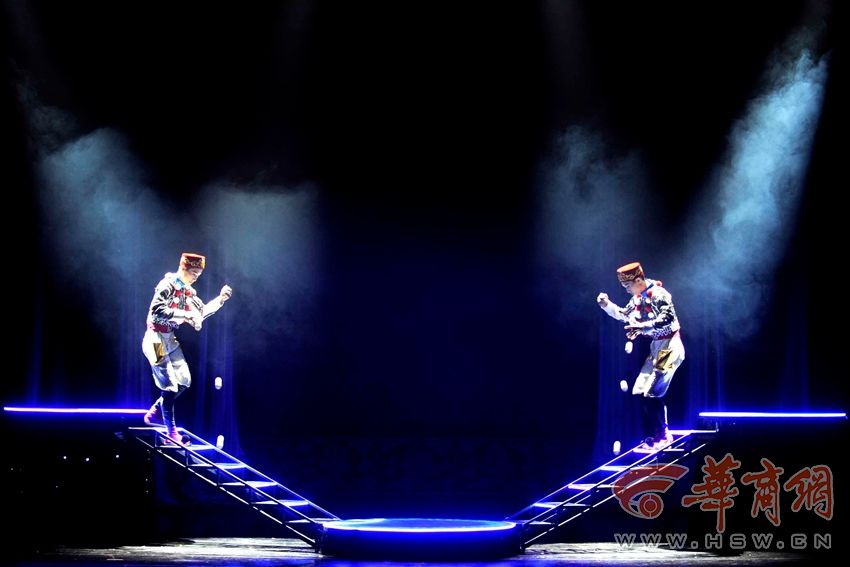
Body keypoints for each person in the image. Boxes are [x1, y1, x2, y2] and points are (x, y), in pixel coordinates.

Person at [141, 252, 233, 444]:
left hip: (169, 339)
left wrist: (220, 299)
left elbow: (201, 312)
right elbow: (157, 311)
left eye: (198, 274)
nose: (195, 277)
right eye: (193, 273)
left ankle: (155, 412)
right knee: (169, 385)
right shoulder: (167, 285)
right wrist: (185, 315)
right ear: (183, 268)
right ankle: (171, 432)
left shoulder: (188, 292)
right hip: (155, 340)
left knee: (184, 380)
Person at [597, 262, 684, 450]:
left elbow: (667, 319)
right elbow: (625, 315)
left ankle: (664, 436)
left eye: (628, 285)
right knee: (639, 390)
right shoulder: (637, 298)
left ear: (638, 280)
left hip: (670, 346)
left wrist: (642, 327)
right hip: (656, 348)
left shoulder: (659, 294)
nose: (627, 290)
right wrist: (607, 305)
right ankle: (654, 435)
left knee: (652, 391)